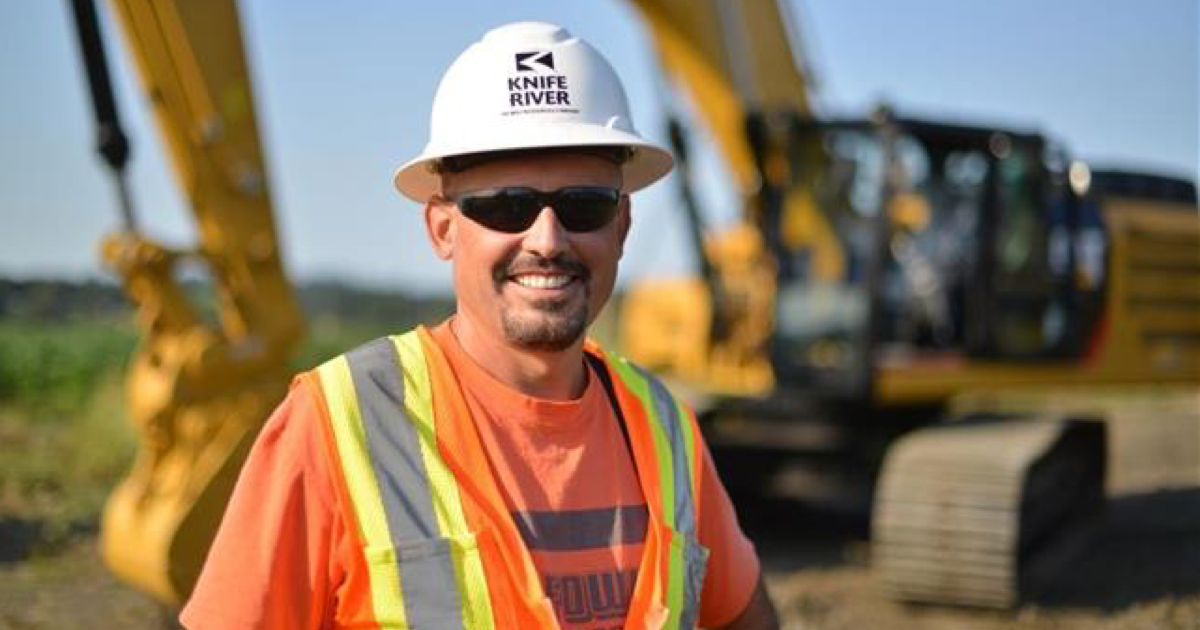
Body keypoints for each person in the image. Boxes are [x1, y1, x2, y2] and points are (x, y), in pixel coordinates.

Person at [181, 21, 779, 630]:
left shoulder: (663, 426)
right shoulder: (336, 425)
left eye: (583, 206)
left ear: (622, 226)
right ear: (442, 228)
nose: (547, 240)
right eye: (505, 207)